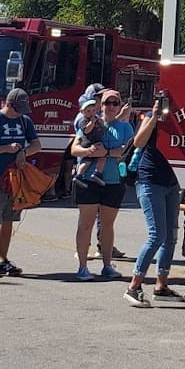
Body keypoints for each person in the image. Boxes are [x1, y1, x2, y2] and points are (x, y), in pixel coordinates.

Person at [0, 87, 42, 278]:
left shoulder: (24, 121)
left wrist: (23, 152)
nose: (21, 113)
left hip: (15, 181)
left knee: (8, 221)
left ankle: (3, 259)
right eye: (18, 108)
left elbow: (37, 145)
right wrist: (5, 148)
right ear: (9, 104)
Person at [123, 100, 183, 307]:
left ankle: (161, 285)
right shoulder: (151, 116)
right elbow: (139, 142)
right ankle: (133, 286)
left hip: (172, 181)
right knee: (157, 234)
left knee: (170, 236)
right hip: (150, 180)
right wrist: (155, 116)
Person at [70, 91, 133, 282]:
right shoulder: (91, 122)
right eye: (107, 103)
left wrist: (107, 153)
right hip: (88, 181)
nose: (111, 107)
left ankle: (107, 265)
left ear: (120, 106)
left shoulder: (125, 127)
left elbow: (128, 150)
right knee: (86, 223)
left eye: (115, 103)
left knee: (107, 225)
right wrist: (88, 151)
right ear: (101, 106)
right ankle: (82, 267)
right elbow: (74, 148)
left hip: (113, 181)